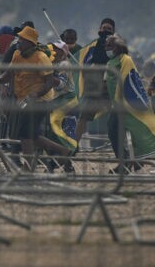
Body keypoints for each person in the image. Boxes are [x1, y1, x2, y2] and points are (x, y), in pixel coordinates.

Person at [0, 26, 66, 169]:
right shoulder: (17, 54)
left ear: (30, 42)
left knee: (25, 134)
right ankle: (61, 151)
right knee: (32, 135)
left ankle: (29, 165)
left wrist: (36, 94)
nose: (19, 42)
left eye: (22, 40)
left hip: (41, 101)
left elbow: (49, 82)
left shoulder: (41, 58)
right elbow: (10, 73)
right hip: (24, 99)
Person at [104, 34, 155, 168]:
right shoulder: (110, 61)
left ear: (117, 47)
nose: (107, 48)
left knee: (122, 130)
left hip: (126, 104)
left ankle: (127, 163)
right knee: (116, 132)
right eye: (106, 45)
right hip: (116, 104)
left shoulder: (125, 59)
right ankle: (128, 162)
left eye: (110, 45)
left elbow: (126, 79)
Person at [74, 18, 116, 149]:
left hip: (110, 86)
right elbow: (84, 60)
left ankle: (125, 151)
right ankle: (73, 147)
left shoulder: (116, 46)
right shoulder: (93, 45)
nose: (105, 31)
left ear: (113, 31)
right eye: (104, 28)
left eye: (108, 29)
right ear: (99, 29)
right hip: (95, 86)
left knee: (118, 119)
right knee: (84, 117)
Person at [46, 40, 79, 167]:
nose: (53, 50)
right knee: (56, 130)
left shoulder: (64, 64)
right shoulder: (53, 63)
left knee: (55, 124)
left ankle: (65, 154)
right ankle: (65, 164)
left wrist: (48, 76)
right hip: (58, 100)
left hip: (68, 100)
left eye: (56, 49)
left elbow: (61, 85)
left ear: (63, 52)